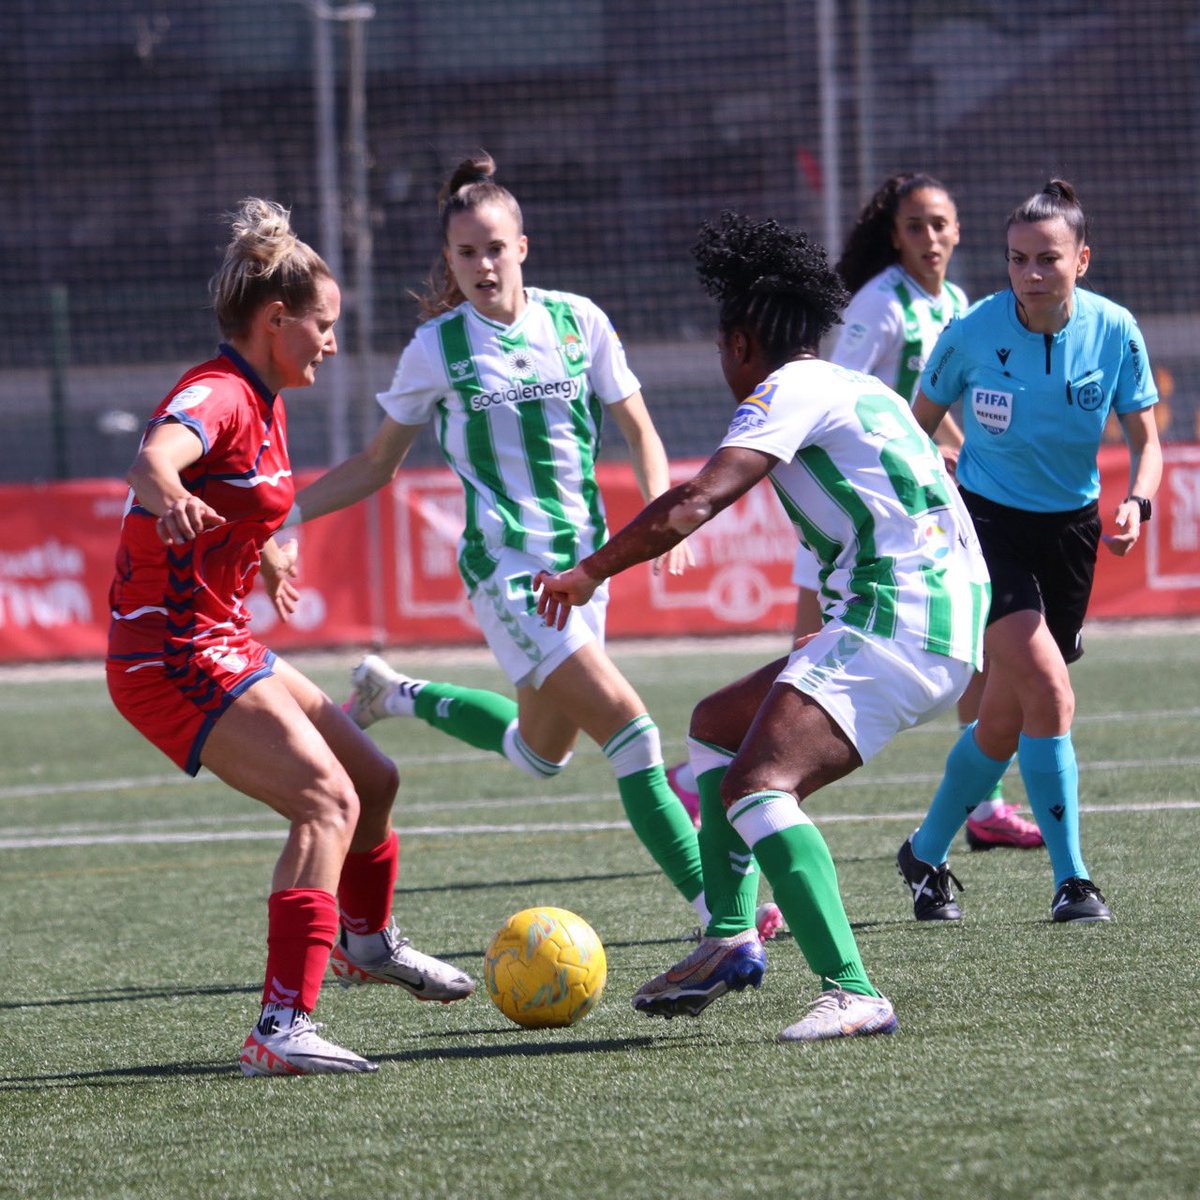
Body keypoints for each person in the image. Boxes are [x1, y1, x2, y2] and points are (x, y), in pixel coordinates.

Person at [273, 154, 778, 940]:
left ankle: (393, 694)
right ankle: (718, 909)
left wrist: (665, 512)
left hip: (583, 570)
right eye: (466, 252)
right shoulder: (436, 348)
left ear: (523, 247)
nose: (482, 264)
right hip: (512, 575)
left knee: (543, 755)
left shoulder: (580, 321)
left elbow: (640, 430)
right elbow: (378, 464)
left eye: (495, 248)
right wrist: (285, 516)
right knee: (634, 735)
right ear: (450, 261)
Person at [535, 211, 990, 1042]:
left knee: (755, 785)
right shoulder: (862, 385)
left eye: (720, 346)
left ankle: (853, 990)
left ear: (741, 343)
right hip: (932, 612)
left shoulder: (788, 388)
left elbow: (696, 501)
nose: (721, 362)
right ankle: (729, 937)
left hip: (902, 617)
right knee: (714, 728)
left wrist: (587, 572)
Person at [106, 198, 473, 1079]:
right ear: (276, 321)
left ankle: (367, 944)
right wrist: (172, 491)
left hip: (220, 639)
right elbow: (155, 458)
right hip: (169, 657)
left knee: (373, 779)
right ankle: (281, 1026)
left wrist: (264, 550)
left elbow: (248, 492)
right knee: (326, 804)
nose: (332, 343)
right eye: (325, 325)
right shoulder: (221, 392)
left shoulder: (265, 398)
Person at [666, 173, 1038, 852]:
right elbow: (848, 397)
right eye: (916, 225)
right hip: (847, 521)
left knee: (968, 648)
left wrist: (953, 457)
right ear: (894, 236)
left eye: (941, 223)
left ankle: (983, 800)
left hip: (905, 516)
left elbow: (915, 413)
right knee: (805, 675)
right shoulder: (881, 303)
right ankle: (722, 784)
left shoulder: (952, 302)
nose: (930, 237)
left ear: (959, 231)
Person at [897, 178, 1162, 924]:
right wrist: (925, 505)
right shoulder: (973, 332)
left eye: (1047, 259)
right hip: (985, 529)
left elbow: (1147, 443)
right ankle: (1073, 881)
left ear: (1083, 257)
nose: (1030, 274)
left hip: (1072, 534)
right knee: (1050, 692)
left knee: (1005, 724)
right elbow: (913, 427)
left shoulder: (1115, 331)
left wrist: (1136, 503)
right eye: (1017, 259)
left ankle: (924, 852)